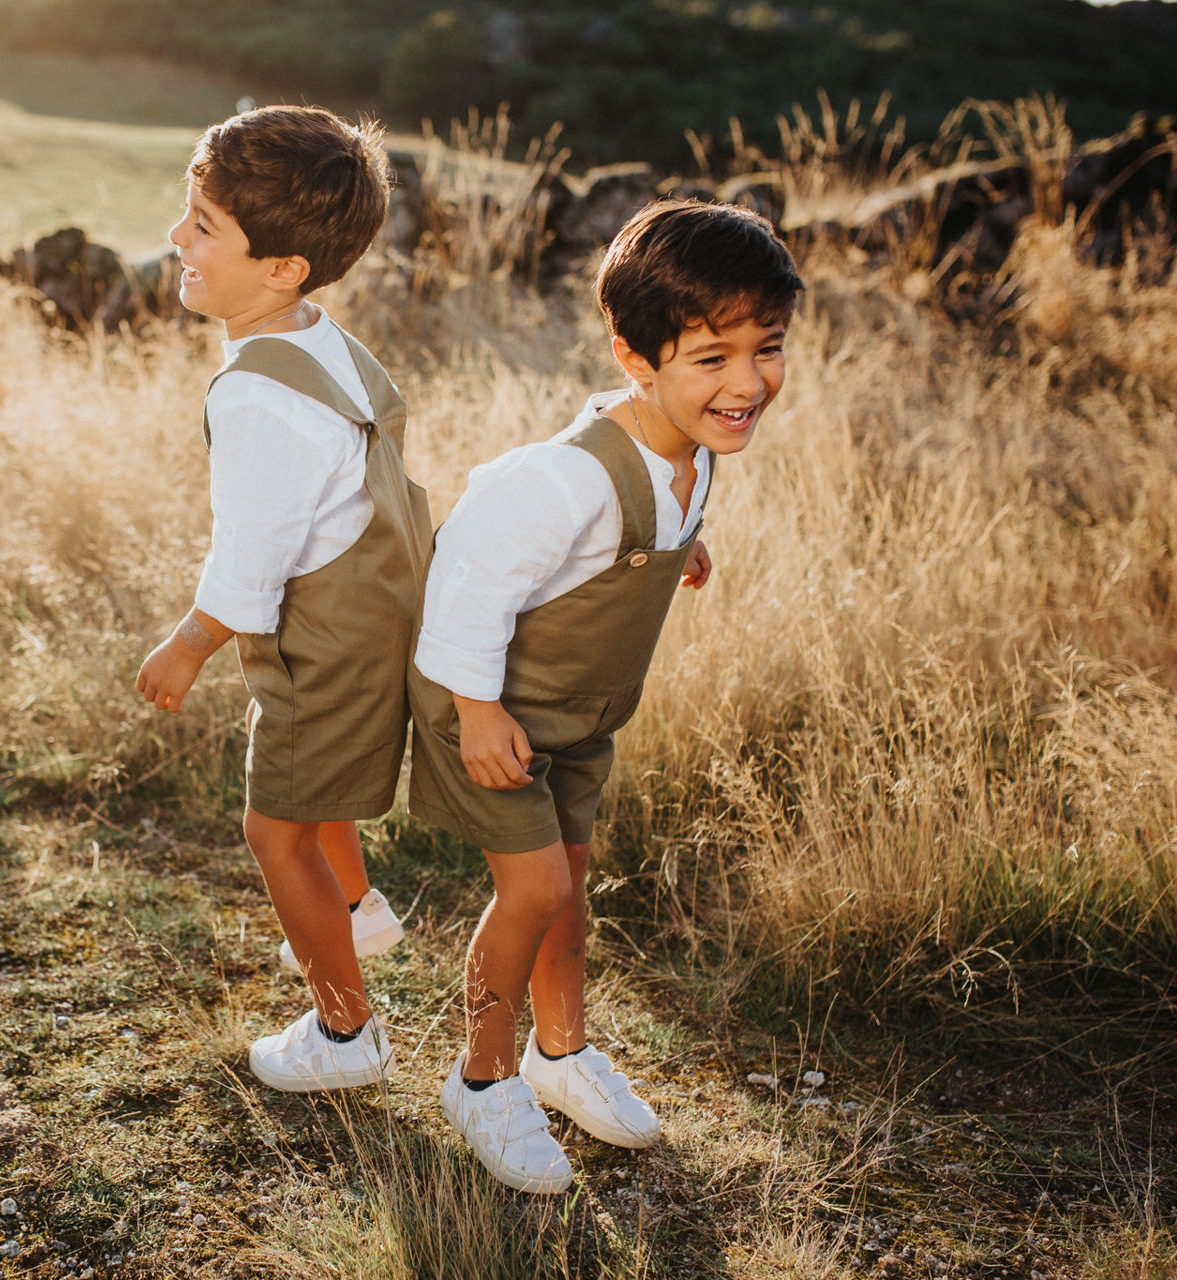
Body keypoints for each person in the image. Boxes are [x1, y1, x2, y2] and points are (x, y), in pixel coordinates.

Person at [407, 199, 804, 1191]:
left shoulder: (697, 450)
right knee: (534, 887)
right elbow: (465, 582)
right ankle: (483, 1078)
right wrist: (479, 710)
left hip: (578, 719)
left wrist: (682, 544)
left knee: (570, 883)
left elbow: (647, 523)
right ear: (635, 357)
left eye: (768, 348)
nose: (748, 382)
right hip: (487, 710)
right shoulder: (560, 481)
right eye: (712, 357)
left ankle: (559, 1052)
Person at [135, 105, 430, 1092]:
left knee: (273, 826)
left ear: (282, 268)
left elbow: (252, 557)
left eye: (204, 225)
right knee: (310, 796)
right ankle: (358, 910)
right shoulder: (319, 340)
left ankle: (346, 1034)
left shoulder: (255, 393)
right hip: (382, 609)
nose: (178, 235)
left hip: (324, 639)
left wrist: (186, 644)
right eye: (189, 211)